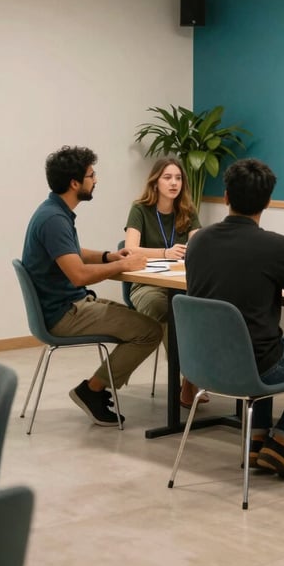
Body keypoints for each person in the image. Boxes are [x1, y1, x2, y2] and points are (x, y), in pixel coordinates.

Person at [186, 158, 284, 479]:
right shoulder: (274, 246)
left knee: (257, 340)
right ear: (269, 202)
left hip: (205, 362)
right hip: (257, 362)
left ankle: (257, 441)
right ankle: (282, 443)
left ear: (226, 196)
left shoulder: (197, 240)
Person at [23, 146, 163, 426]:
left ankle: (95, 388)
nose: (95, 180)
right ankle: (92, 390)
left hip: (68, 305)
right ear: (75, 183)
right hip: (65, 313)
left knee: (143, 324)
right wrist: (121, 266)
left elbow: (72, 252)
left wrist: (109, 256)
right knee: (149, 331)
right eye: (91, 174)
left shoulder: (54, 211)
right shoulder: (54, 219)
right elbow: (79, 275)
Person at [124, 156, 202, 406]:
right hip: (146, 286)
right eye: (167, 177)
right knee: (167, 308)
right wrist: (165, 253)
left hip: (179, 284)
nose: (174, 183)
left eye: (178, 178)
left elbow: (199, 244)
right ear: (155, 182)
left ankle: (191, 378)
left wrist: (194, 249)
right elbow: (130, 250)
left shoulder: (188, 211)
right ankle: (190, 378)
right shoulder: (140, 209)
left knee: (193, 308)